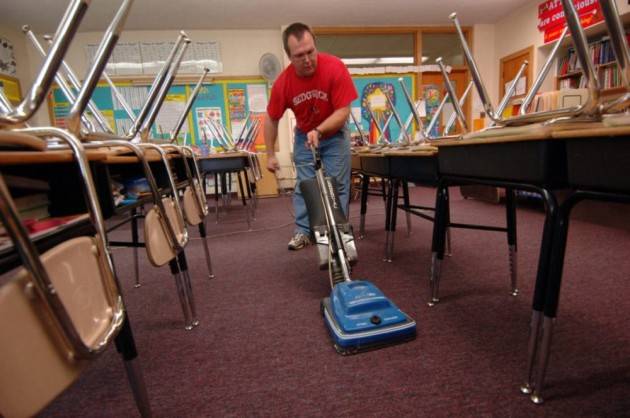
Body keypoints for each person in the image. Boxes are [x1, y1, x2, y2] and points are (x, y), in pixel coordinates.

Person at [264, 22, 358, 251]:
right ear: (289, 57)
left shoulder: (335, 67)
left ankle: (339, 232)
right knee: (305, 185)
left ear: (315, 46)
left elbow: (343, 111)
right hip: (304, 138)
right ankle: (303, 232)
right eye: (299, 55)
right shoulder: (283, 83)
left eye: (310, 52)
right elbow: (271, 118)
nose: (307, 59)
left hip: (334, 135)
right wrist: (269, 154)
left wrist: (320, 130)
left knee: (338, 186)